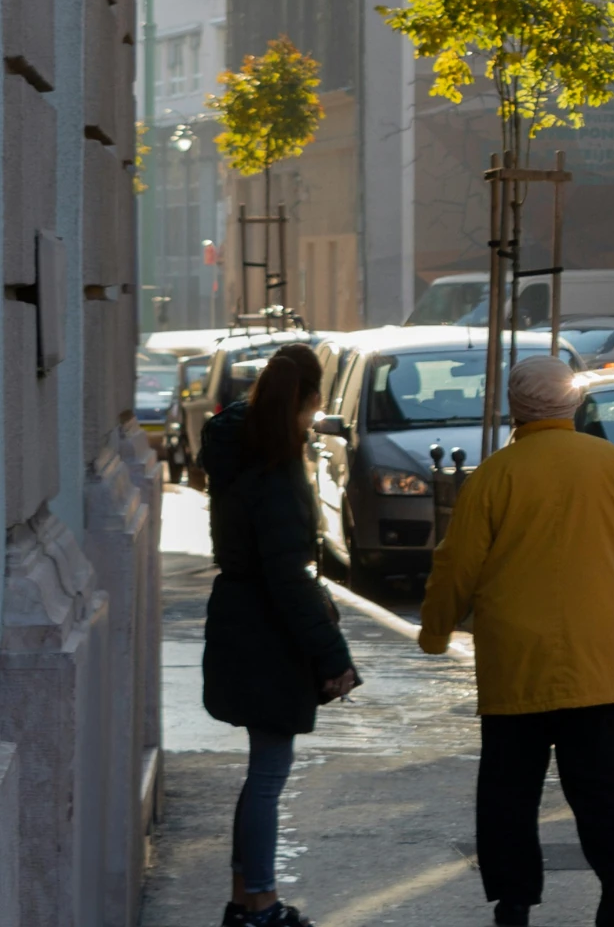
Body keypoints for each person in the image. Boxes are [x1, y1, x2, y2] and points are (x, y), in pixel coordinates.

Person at [419, 356, 614, 927]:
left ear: (515, 407)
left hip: (513, 665)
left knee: (509, 795)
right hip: (593, 664)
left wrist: (436, 630)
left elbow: (456, 566)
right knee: (605, 786)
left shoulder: (494, 476)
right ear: (572, 404)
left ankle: (514, 902)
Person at [200, 344, 359, 927]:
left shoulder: (236, 444)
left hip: (239, 619)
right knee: (269, 773)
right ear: (312, 401)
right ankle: (261, 905)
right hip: (267, 631)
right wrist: (332, 653)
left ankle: (247, 898)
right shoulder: (275, 466)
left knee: (261, 769)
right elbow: (287, 576)